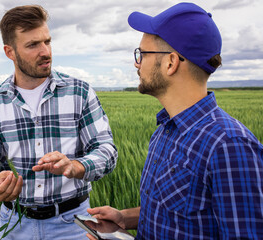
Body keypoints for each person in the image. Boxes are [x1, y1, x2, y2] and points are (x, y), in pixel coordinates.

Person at [87, 2, 263, 239]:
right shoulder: (164, 131)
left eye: (142, 54)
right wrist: (124, 218)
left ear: (170, 62)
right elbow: (175, 213)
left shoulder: (229, 145)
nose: (136, 63)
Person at [0, 5, 117, 239]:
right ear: (10, 52)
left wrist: (77, 167)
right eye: (33, 45)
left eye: (47, 41)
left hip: (73, 223)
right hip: (14, 224)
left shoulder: (80, 92)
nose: (45, 51)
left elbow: (106, 150)